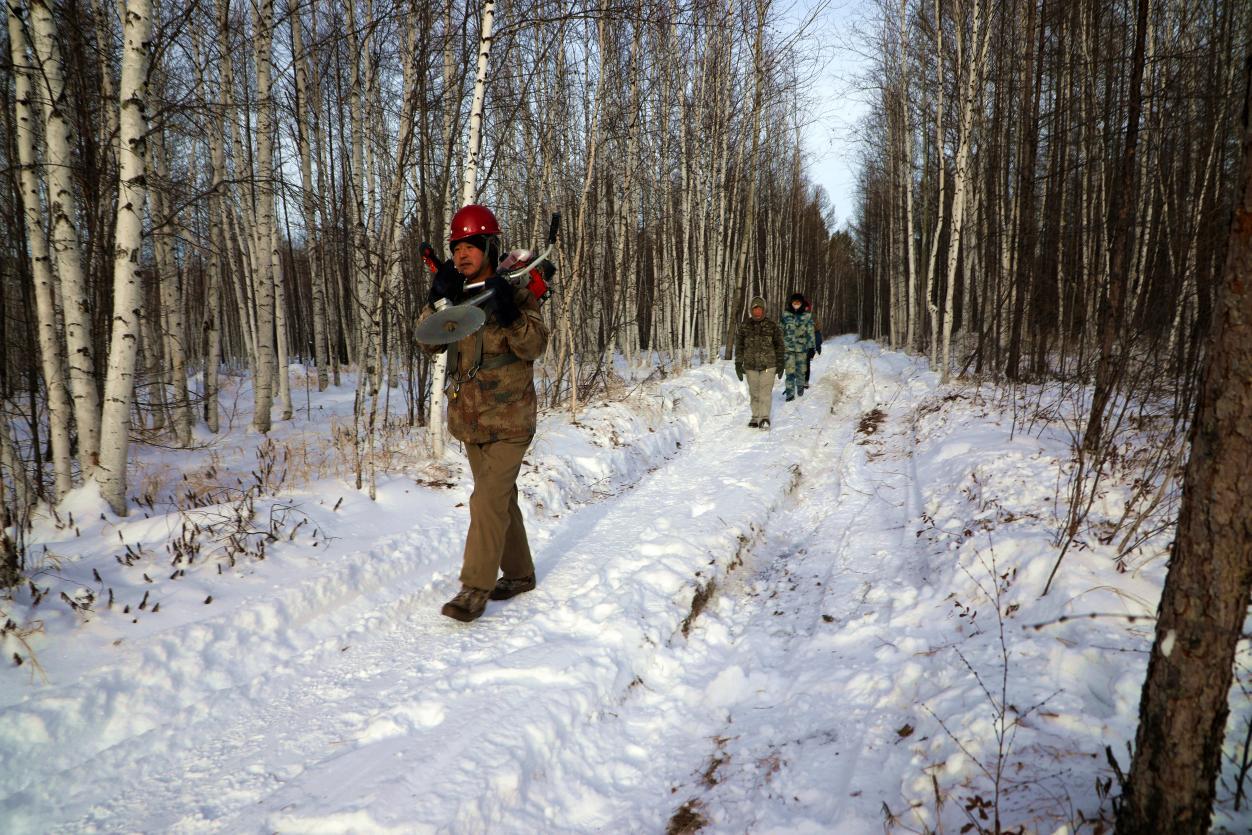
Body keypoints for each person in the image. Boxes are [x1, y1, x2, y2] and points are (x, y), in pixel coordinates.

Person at [418, 204, 550, 622]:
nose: (462, 254)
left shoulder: (516, 292)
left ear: (489, 247)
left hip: (511, 419)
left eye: (471, 246)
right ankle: (521, 574)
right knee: (500, 499)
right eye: (456, 248)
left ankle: (475, 588)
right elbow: (428, 342)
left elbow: (534, 346)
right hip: (471, 421)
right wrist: (437, 301)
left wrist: (509, 313)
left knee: (485, 500)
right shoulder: (456, 297)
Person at [734, 295, 784, 429]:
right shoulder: (745, 326)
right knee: (754, 392)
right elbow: (739, 346)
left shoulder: (772, 325)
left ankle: (764, 418)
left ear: (764, 310)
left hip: (768, 366)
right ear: (751, 310)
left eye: (759, 309)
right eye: (755, 309)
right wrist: (738, 363)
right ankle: (755, 417)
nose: (757, 311)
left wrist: (781, 363)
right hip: (750, 366)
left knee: (765, 392)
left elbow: (779, 345)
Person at [781, 292, 815, 401]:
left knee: (800, 372)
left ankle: (800, 385)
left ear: (801, 303)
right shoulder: (786, 315)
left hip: (802, 349)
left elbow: (810, 332)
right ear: (791, 303)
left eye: (798, 302)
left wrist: (812, 348)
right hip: (788, 349)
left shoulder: (807, 316)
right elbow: (780, 330)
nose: (796, 304)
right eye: (794, 302)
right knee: (789, 371)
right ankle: (790, 394)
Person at [804, 300, 822, 387]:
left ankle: (805, 381)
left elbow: (817, 332)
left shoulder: (813, 317)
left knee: (806, 362)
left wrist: (818, 346)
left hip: (809, 345)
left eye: (806, 307)